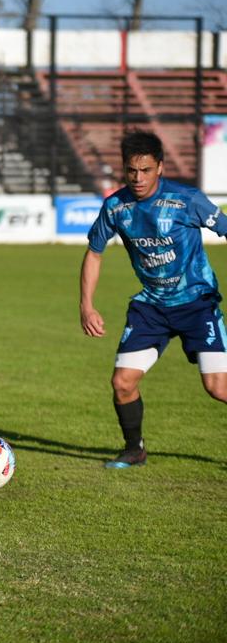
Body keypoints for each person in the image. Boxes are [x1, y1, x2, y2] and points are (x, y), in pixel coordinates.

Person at [80, 131, 227, 469]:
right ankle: (135, 449)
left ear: (160, 167)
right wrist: (86, 305)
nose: (138, 178)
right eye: (132, 170)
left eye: (146, 170)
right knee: (122, 382)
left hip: (196, 304)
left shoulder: (186, 199)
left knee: (218, 388)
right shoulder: (116, 206)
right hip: (151, 308)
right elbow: (94, 253)